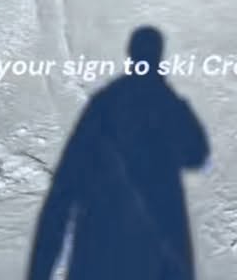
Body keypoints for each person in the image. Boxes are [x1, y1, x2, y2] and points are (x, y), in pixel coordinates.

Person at [27, 26, 209, 280]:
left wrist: (39, 270)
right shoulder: (168, 105)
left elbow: (64, 188)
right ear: (158, 56)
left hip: (99, 256)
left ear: (131, 55)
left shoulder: (102, 105)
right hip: (157, 258)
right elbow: (197, 154)